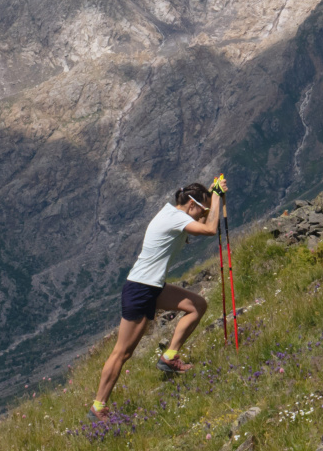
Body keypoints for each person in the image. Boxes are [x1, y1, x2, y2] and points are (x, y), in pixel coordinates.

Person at [92, 177, 224, 415]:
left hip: (152, 286)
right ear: (192, 205)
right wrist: (215, 198)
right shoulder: (176, 218)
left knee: (197, 306)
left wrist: (215, 197)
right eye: (200, 210)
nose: (201, 214)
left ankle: (169, 357)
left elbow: (206, 221)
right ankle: (98, 407)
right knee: (123, 353)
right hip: (141, 289)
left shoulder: (172, 214)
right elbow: (210, 229)